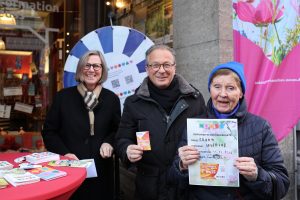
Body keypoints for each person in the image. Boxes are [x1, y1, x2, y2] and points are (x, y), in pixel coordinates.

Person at [169, 61, 290, 199]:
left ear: (241, 93)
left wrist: (257, 175)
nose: (223, 94)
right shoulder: (196, 126)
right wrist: (182, 165)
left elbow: (281, 185)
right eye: (217, 87)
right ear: (210, 89)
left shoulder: (260, 127)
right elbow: (173, 180)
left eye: (231, 88)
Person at [115, 44, 207, 200]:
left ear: (174, 67)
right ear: (147, 68)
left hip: (186, 185)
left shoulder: (194, 99)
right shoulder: (134, 102)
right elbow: (122, 139)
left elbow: (206, 139)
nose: (161, 70)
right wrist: (127, 150)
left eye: (166, 65)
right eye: (155, 65)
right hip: (149, 187)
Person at [42, 50, 121, 200]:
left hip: (101, 173)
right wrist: (65, 154)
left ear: (102, 70)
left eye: (96, 66)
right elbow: (49, 132)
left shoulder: (111, 99)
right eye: (87, 65)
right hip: (69, 170)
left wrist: (109, 142)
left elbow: (118, 130)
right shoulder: (63, 97)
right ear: (80, 69)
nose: (91, 70)